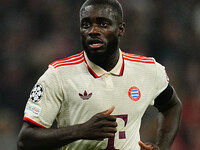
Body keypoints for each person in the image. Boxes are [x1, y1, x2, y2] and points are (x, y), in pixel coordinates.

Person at [17, 0, 182, 149]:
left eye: (103, 24)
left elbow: (172, 106)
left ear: (121, 29)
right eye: (86, 24)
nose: (93, 31)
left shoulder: (148, 70)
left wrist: (162, 146)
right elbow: (25, 140)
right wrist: (81, 131)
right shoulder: (58, 74)